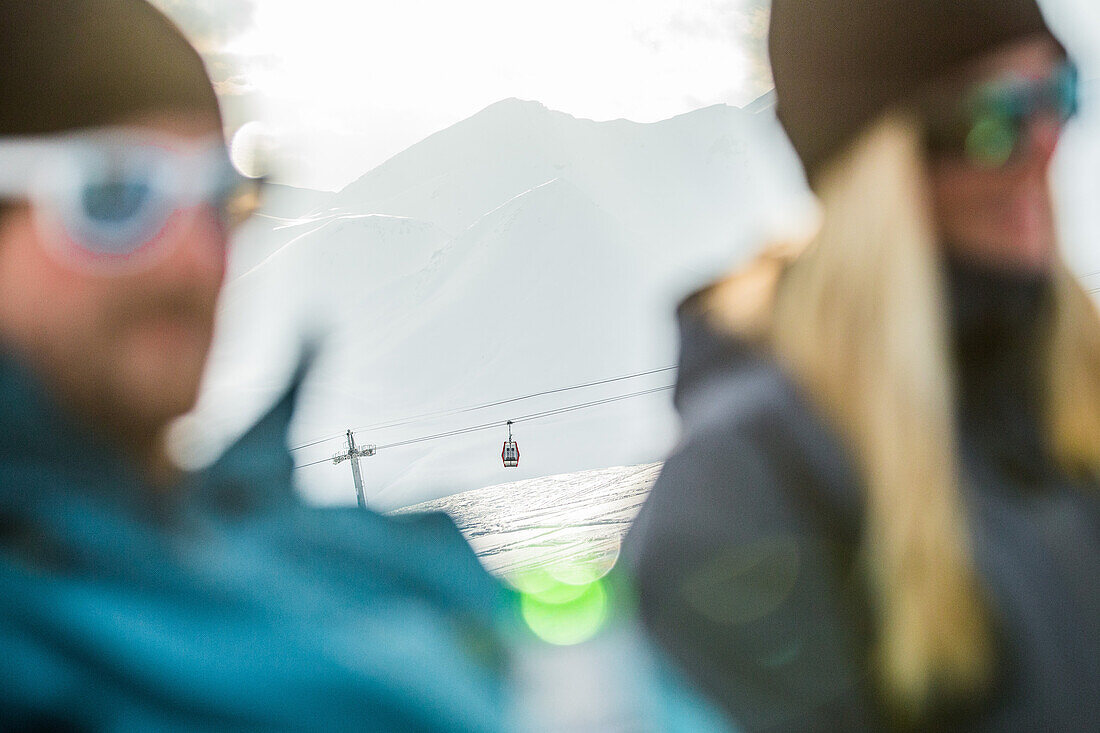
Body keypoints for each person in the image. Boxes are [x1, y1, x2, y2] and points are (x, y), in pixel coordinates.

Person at [0, 1, 512, 729]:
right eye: (116, 195)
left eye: (217, 197)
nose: (196, 259)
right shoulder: (34, 644)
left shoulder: (330, 556)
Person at [624, 0, 1100, 730]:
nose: (1044, 145)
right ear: (880, 163)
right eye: (993, 119)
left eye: (1057, 96)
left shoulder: (1061, 391)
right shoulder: (742, 494)